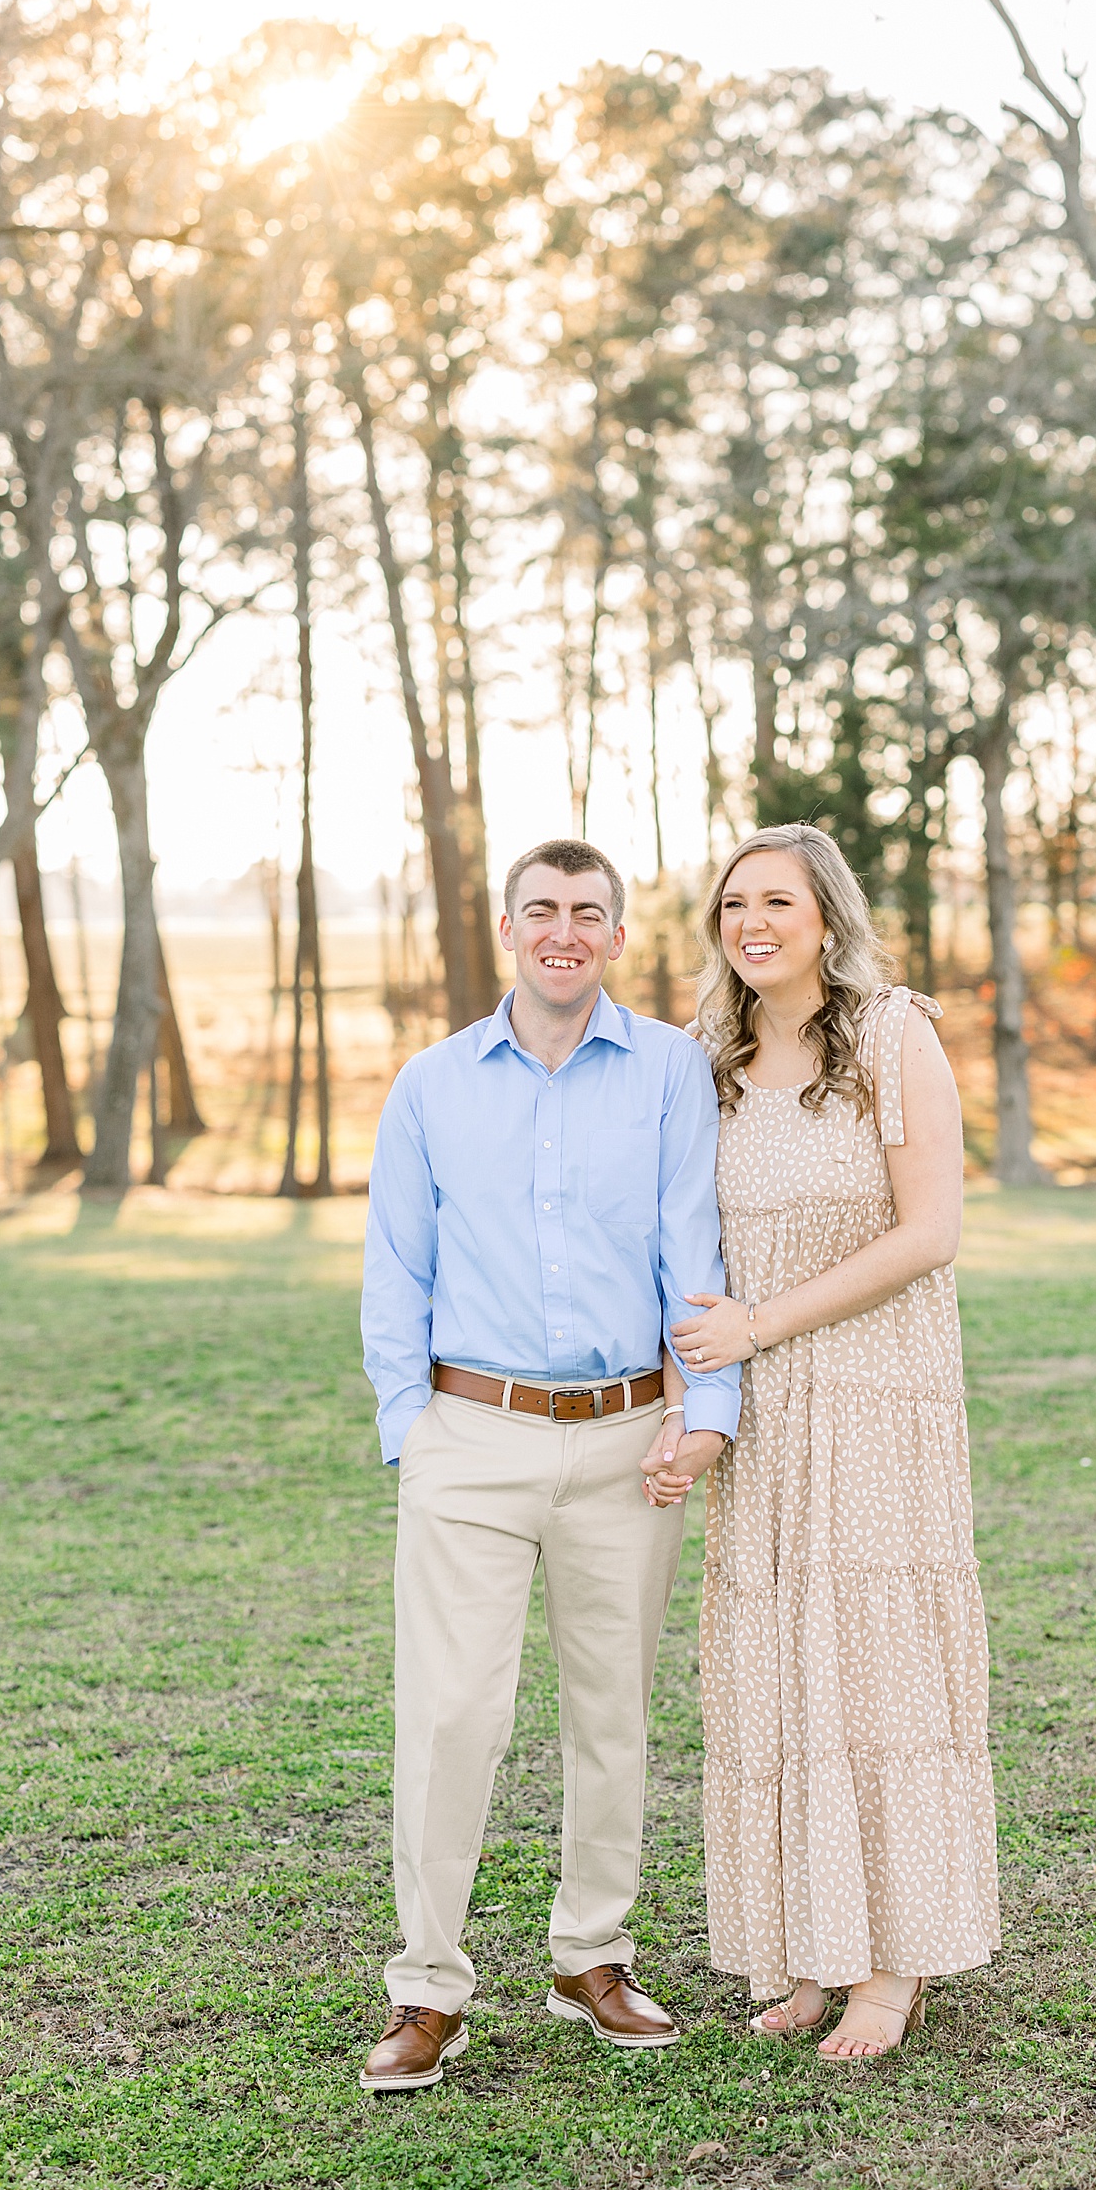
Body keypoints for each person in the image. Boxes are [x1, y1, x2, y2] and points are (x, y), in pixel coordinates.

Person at [358, 837, 739, 2094]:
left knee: (610, 1709)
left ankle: (593, 1953)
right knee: (452, 1712)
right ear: (509, 928)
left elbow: (697, 1249)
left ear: (618, 934)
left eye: (588, 911)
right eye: (542, 911)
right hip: (470, 1434)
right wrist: (412, 1426)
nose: (564, 930)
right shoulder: (431, 1083)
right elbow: (393, 1269)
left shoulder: (674, 1070)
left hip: (631, 1436)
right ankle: (427, 1984)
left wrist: (708, 1408)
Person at [643, 822, 999, 2060]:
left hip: (873, 1385)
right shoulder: (708, 1061)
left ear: (826, 915)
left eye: (777, 901)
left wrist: (765, 1323)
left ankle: (893, 1967)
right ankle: (806, 1949)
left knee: (871, 1660)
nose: (752, 922)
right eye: (733, 903)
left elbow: (930, 1232)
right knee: (774, 1666)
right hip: (756, 1407)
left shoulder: (896, 1035)